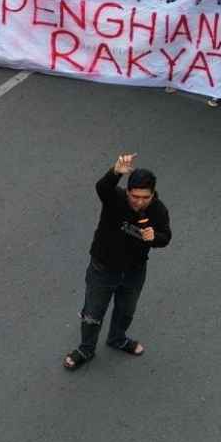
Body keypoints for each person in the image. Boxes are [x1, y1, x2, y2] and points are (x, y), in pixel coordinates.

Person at [63, 153, 170, 371]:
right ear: (128, 191)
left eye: (145, 197)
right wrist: (115, 172)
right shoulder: (116, 199)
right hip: (102, 268)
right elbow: (102, 187)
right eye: (135, 196)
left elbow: (165, 237)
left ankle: (117, 339)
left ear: (153, 194)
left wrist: (155, 238)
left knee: (126, 310)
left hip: (134, 272)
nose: (139, 202)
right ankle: (86, 349)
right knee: (92, 314)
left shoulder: (158, 210)